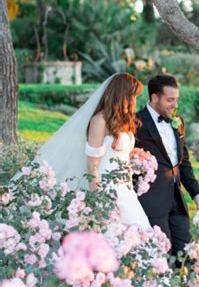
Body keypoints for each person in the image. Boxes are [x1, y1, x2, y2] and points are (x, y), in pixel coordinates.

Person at [33, 73, 151, 229]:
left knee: (140, 232)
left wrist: (135, 155)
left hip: (126, 188)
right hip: (106, 188)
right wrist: (98, 203)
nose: (134, 101)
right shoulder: (99, 121)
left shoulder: (122, 121)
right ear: (121, 95)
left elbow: (115, 152)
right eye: (132, 96)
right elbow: (91, 166)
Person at [135, 74, 199, 256]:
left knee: (186, 254)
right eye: (170, 100)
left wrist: (196, 193)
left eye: (177, 99)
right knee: (161, 256)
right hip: (152, 201)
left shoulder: (178, 122)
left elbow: (184, 162)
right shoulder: (136, 123)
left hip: (178, 200)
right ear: (155, 98)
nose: (175, 105)